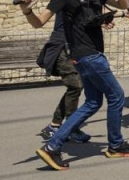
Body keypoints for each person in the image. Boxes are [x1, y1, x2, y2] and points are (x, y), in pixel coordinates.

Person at [20, 0, 129, 171]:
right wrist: (27, 10)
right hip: (88, 55)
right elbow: (39, 22)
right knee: (117, 96)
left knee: (93, 102)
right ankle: (115, 145)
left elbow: (124, 5)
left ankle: (53, 145)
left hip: (90, 54)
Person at [34, 13, 90, 144]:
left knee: (75, 87)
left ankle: (55, 125)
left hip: (74, 47)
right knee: (75, 85)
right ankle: (69, 128)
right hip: (62, 48)